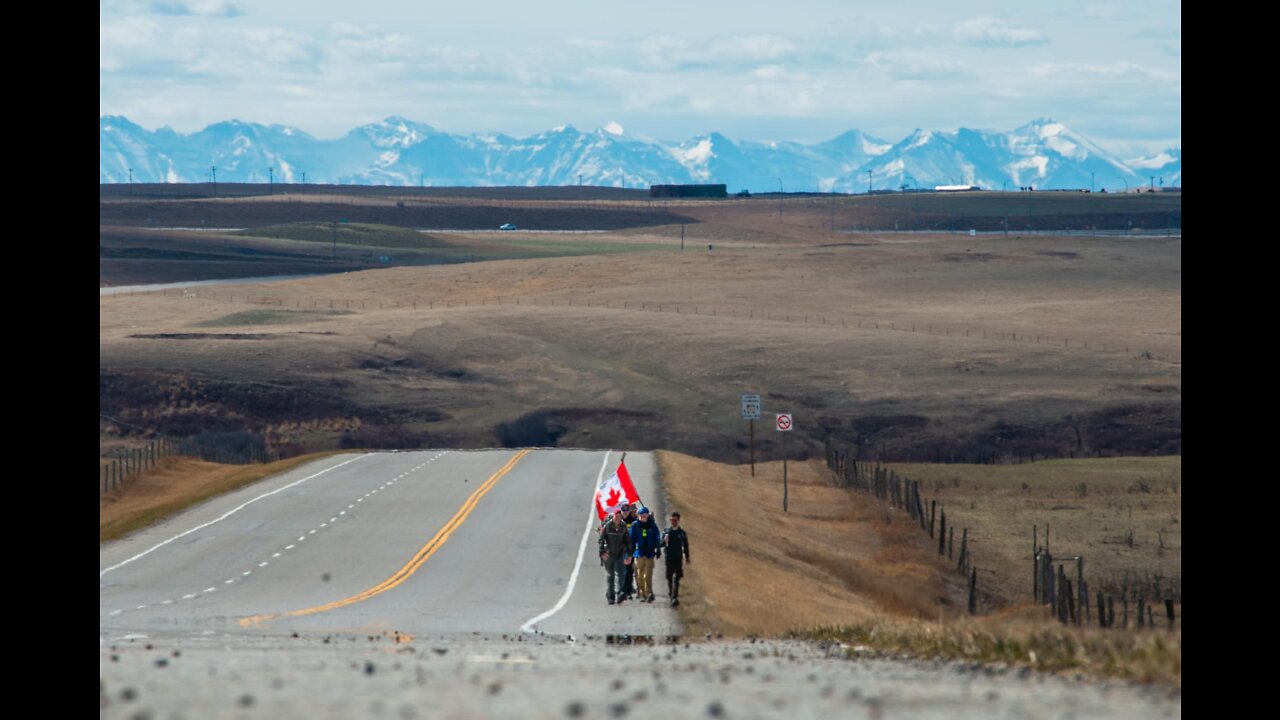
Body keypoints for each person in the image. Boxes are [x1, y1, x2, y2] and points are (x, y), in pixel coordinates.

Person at [598, 512, 633, 605]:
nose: (618, 517)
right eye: (616, 515)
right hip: (609, 554)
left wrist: (629, 555)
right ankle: (611, 596)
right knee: (610, 575)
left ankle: (619, 593)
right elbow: (601, 540)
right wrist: (602, 553)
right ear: (613, 515)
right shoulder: (608, 526)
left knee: (620, 574)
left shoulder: (623, 526)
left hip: (620, 553)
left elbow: (628, 541)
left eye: (619, 515)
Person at [630, 506, 661, 602]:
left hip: (650, 553)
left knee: (648, 575)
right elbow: (631, 539)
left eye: (645, 514)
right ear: (638, 515)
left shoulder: (652, 525)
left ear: (648, 515)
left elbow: (657, 537)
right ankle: (642, 593)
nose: (643, 516)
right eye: (641, 514)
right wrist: (630, 551)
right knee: (639, 575)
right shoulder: (635, 525)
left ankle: (649, 593)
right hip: (639, 553)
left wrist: (658, 549)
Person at [662, 512, 691, 606]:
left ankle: (675, 596)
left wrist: (687, 557)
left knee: (677, 578)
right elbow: (660, 544)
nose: (673, 522)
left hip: (678, 558)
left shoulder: (682, 533)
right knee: (669, 577)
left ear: (678, 520)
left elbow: (685, 546)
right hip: (669, 558)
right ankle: (671, 593)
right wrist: (664, 540)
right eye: (671, 520)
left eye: (675, 520)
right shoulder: (666, 532)